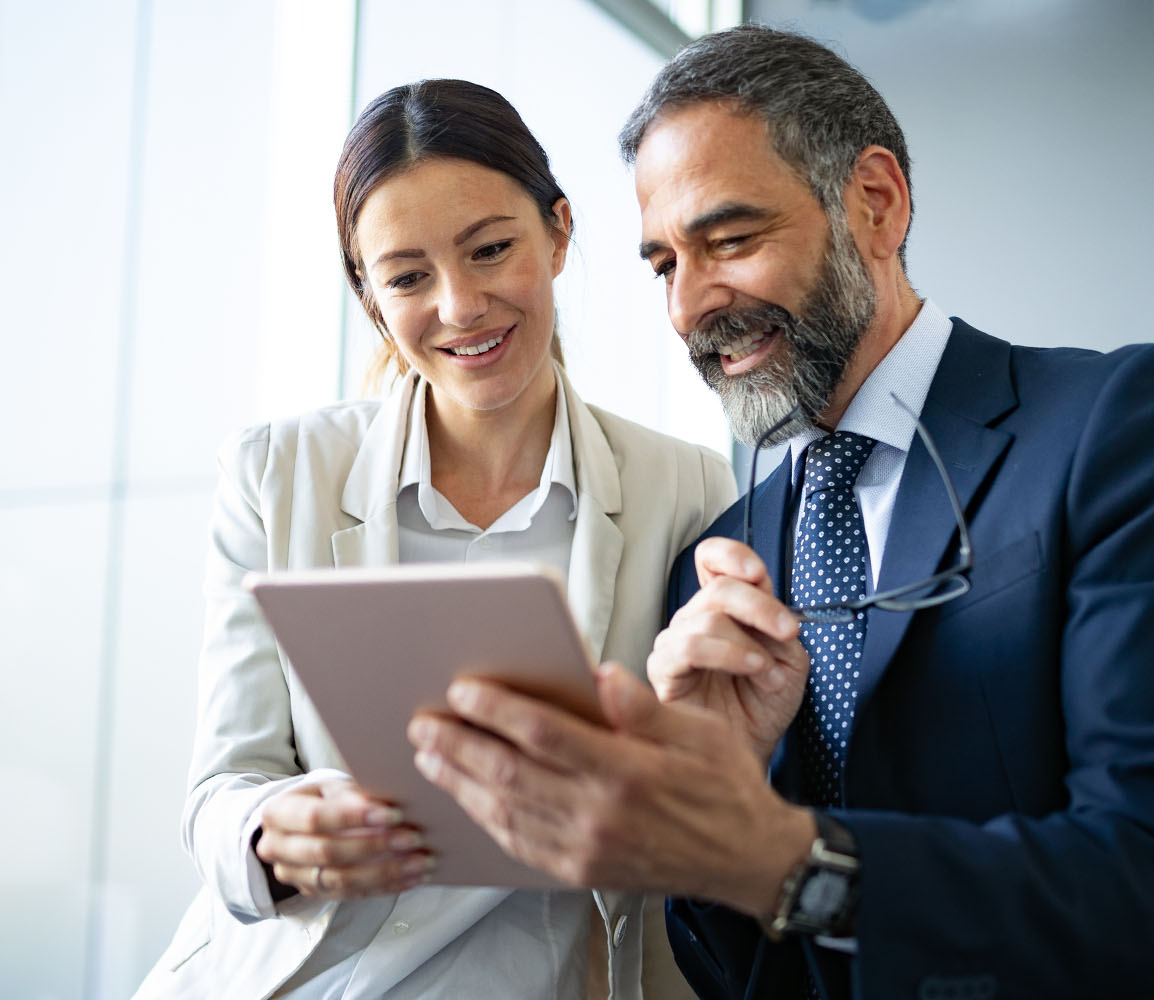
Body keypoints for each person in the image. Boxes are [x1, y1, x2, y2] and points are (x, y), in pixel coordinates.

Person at [395, 27, 1154, 999]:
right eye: (663, 266)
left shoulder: (1125, 425)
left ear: (876, 203)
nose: (691, 304)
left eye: (729, 240)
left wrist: (773, 850)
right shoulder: (720, 560)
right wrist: (713, 789)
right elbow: (744, 975)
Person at [133, 79, 732, 1000]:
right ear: (370, 296)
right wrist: (274, 829)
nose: (460, 306)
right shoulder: (275, 474)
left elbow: (705, 794)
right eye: (408, 277)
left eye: (491, 250)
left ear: (560, 232)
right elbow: (224, 785)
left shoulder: (685, 489)